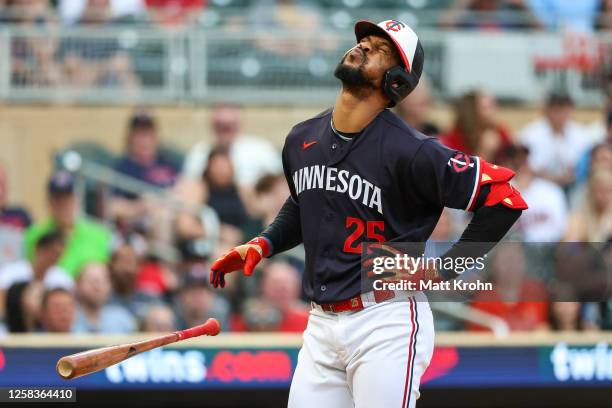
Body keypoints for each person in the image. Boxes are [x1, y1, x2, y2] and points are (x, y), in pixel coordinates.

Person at [209, 19, 526, 408]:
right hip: (322, 324)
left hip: (385, 319)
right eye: (363, 41)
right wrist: (265, 241)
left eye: (378, 49)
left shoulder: (412, 150)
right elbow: (307, 198)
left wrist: (441, 270)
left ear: (396, 81)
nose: (361, 47)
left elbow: (505, 198)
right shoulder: (300, 138)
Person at [24, 171, 112, 278]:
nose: (63, 204)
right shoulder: (34, 235)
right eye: (57, 199)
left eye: (67, 199)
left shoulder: (99, 235)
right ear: (48, 202)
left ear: (76, 200)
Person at [182, 104, 283, 189]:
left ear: (239, 124)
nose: (225, 130)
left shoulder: (261, 149)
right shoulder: (200, 151)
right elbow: (188, 184)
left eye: (229, 125)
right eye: (220, 125)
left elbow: (280, 183)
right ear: (212, 126)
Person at [519, 93, 592, 188]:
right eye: (556, 111)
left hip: (574, 184)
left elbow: (585, 163)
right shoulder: (529, 134)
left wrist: (572, 174)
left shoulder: (582, 134)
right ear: (546, 110)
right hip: (538, 183)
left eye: (564, 111)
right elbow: (525, 165)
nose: (560, 115)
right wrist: (548, 177)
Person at [502, 145, 568, 242]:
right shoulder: (499, 194)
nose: (522, 167)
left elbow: (562, 230)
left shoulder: (552, 191)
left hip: (547, 248)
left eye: (524, 161)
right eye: (516, 163)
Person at [442, 89, 513, 162]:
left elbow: (513, 161)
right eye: (487, 107)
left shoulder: (499, 131)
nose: (494, 110)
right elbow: (459, 170)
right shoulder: (455, 135)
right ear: (471, 112)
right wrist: (484, 152)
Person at [73, 262, 137, 333]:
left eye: (103, 280)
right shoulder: (69, 319)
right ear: (78, 284)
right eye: (90, 280)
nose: (97, 286)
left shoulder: (123, 319)